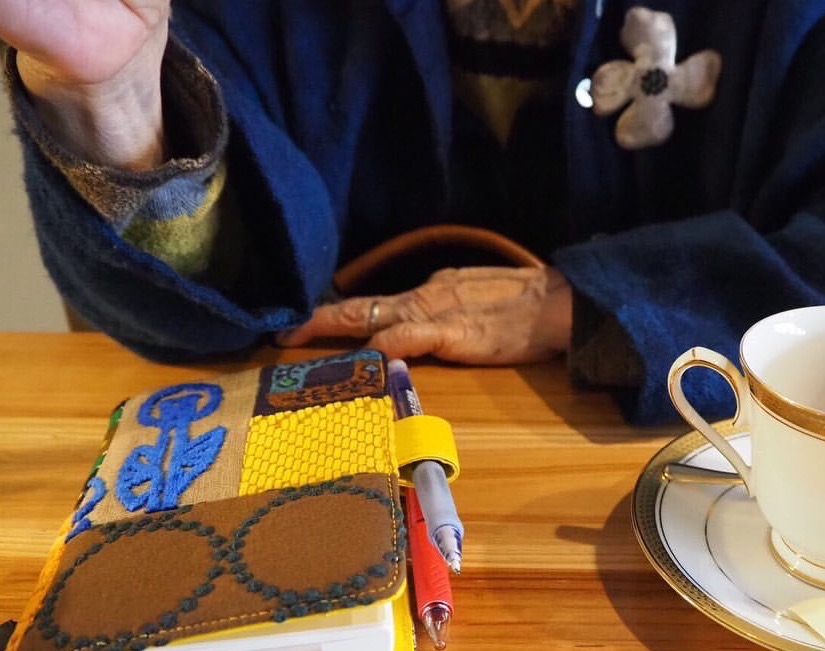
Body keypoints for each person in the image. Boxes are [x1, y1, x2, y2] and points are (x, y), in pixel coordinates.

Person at [2, 1, 825, 425]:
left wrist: (591, 303)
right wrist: (114, 100)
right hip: (320, 446)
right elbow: (207, 300)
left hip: (719, 498)